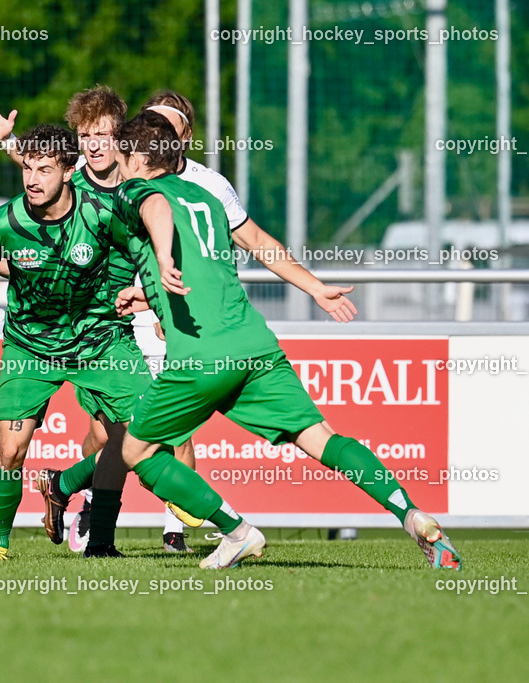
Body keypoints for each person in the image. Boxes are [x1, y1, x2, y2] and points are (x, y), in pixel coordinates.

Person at [111, 111, 460, 570]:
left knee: (135, 450)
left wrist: (159, 254)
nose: (118, 166)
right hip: (254, 343)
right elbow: (246, 247)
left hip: (201, 355)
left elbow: (154, 208)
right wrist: (315, 287)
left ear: (138, 158)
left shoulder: (135, 189)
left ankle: (236, 531)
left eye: (121, 157)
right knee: (320, 438)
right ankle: (410, 514)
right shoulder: (206, 197)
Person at [0, 88, 198, 554]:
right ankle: (15, 538)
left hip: (117, 325)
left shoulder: (143, 189)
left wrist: (161, 307)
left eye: (104, 134)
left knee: (148, 426)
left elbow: (157, 251)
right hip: (48, 338)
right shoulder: (42, 200)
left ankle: (131, 515)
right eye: (87, 136)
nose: (95, 144)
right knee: (33, 447)